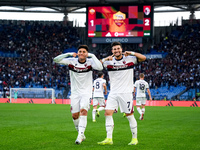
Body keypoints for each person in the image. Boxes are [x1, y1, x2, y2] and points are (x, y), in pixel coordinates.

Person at [98, 42, 146, 146]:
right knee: (107, 113)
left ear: (121, 49)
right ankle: (109, 138)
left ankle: (134, 138)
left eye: (118, 49)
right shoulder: (109, 62)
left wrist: (132, 52)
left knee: (129, 115)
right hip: (113, 92)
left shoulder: (130, 59)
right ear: (112, 51)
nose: (116, 50)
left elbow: (143, 58)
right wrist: (106, 58)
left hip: (126, 93)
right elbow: (97, 65)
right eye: (114, 49)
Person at [53, 45, 103, 144]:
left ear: (87, 53)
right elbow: (56, 60)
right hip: (75, 93)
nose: (81, 53)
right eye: (80, 51)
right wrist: (68, 54)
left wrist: (92, 55)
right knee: (75, 115)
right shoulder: (71, 61)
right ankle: (81, 133)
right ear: (77, 52)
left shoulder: (90, 62)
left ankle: (79, 136)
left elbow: (100, 67)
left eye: (84, 52)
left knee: (83, 111)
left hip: (86, 92)